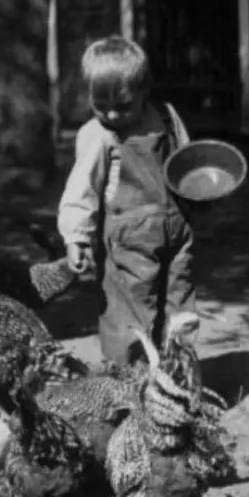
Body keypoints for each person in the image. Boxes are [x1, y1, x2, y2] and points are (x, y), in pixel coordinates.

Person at [57, 36, 195, 367]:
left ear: (144, 88)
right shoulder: (99, 135)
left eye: (123, 104)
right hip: (128, 238)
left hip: (176, 228)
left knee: (180, 305)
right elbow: (81, 189)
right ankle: (130, 387)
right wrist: (76, 237)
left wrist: (199, 189)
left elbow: (185, 160)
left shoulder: (166, 116)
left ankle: (177, 378)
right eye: (100, 105)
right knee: (130, 311)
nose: (112, 114)